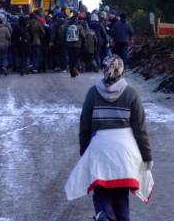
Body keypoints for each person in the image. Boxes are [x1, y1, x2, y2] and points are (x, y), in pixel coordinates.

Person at [65, 55, 154, 221]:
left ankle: (104, 214)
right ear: (122, 71)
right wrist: (147, 156)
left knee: (101, 190)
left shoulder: (92, 93)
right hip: (125, 152)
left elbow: (85, 125)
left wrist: (85, 151)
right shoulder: (131, 94)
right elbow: (140, 130)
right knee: (121, 195)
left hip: (100, 149)